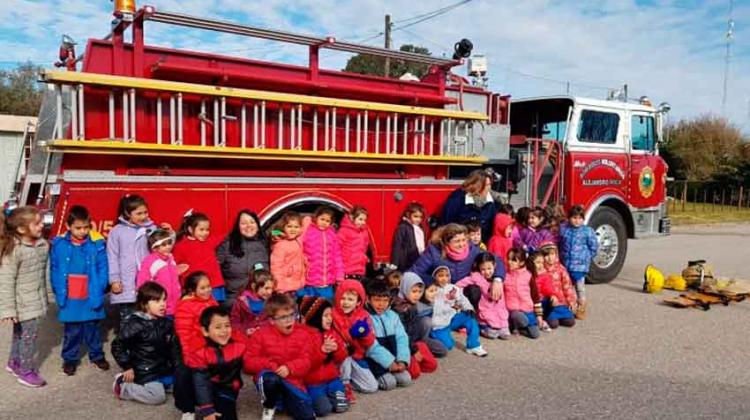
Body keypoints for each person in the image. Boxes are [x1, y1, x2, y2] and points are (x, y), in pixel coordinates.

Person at [50, 205, 110, 376]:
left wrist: (101, 285)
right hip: (70, 293)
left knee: (92, 327)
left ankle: (97, 356)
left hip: (90, 291)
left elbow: (102, 266)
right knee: (72, 330)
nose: (82, 231)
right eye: (78, 228)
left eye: (86, 227)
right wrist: (56, 286)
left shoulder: (97, 243)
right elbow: (54, 267)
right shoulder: (59, 244)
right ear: (68, 227)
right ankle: (69, 359)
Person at [244, 293, 316, 420]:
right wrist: (270, 365)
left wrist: (290, 368)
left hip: (293, 380)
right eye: (283, 317)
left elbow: (307, 361)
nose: (289, 320)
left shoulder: (303, 334)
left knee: (307, 416)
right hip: (271, 375)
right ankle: (269, 405)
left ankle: (283, 402)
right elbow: (248, 362)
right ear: (271, 320)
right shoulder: (260, 334)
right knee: (270, 379)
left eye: (291, 315)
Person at [0, 206, 49, 387]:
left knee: (20, 336)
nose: (42, 225)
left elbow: (45, 274)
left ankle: (14, 362)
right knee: (28, 338)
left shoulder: (42, 244)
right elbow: (5, 282)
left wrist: (49, 296)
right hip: (24, 304)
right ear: (21, 229)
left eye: (41, 221)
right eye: (36, 223)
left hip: (36, 300)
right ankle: (26, 371)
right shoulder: (14, 250)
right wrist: (8, 309)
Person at [409, 223, 504, 313]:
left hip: (463, 292)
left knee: (474, 291)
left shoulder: (472, 250)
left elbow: (496, 260)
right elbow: (415, 271)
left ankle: (471, 315)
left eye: (464, 240)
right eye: (457, 241)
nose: (462, 244)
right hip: (441, 291)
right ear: (446, 242)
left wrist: (497, 280)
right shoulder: (434, 251)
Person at [111, 282, 176, 405]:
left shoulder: (166, 323)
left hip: (164, 369)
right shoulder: (135, 324)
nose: (163, 304)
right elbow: (117, 345)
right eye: (156, 301)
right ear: (144, 304)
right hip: (146, 371)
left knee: (185, 384)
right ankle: (123, 387)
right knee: (157, 397)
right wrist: (127, 366)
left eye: (164, 300)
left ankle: (163, 385)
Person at [186, 306, 249, 420]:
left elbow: (252, 362)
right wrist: (207, 408)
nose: (224, 331)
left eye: (227, 325)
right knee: (183, 374)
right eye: (218, 327)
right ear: (205, 331)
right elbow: (201, 382)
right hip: (206, 386)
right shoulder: (199, 350)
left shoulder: (240, 344)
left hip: (227, 387)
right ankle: (189, 409)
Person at [108, 194, 160, 326]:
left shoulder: (151, 229)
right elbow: (112, 256)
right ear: (127, 213)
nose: (143, 216)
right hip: (126, 282)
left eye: (145, 212)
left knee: (148, 318)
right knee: (128, 320)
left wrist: (169, 234)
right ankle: (127, 345)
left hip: (146, 279)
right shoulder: (117, 231)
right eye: (139, 213)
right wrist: (114, 279)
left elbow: (163, 247)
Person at [174, 271, 218, 419]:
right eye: (203, 288)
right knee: (186, 378)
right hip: (193, 349)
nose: (208, 290)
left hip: (211, 346)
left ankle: (209, 403)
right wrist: (188, 355)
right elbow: (184, 334)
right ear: (193, 290)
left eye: (209, 286)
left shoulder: (211, 301)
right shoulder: (185, 306)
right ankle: (188, 410)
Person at [299, 296, 350, 416]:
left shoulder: (331, 332)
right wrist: (321, 352)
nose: (330, 319)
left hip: (332, 379)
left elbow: (341, 357)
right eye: (325, 316)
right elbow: (305, 363)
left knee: (341, 406)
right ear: (314, 317)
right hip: (313, 382)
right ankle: (310, 398)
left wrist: (337, 350)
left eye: (330, 315)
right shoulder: (303, 336)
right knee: (323, 410)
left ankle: (333, 393)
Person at [331, 279, 379, 399]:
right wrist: (348, 335)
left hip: (356, 357)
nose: (346, 302)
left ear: (358, 302)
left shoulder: (363, 316)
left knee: (372, 387)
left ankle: (348, 380)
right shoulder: (332, 314)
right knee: (345, 354)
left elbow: (370, 342)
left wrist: (365, 334)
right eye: (343, 298)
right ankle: (344, 384)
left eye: (350, 299)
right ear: (337, 298)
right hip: (338, 357)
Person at [364, 278, 412, 390]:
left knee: (406, 380)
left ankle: (395, 367)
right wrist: (389, 362)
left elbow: (402, 338)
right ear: (368, 299)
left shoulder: (393, 316)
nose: (381, 305)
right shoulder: (365, 317)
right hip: (375, 360)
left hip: (394, 357)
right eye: (377, 300)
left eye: (385, 300)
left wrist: (402, 360)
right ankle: (371, 376)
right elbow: (370, 345)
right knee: (389, 384)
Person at [390, 272, 440, 380]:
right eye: (414, 291)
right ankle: (400, 363)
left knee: (432, 365)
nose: (417, 295)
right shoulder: (398, 308)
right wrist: (413, 350)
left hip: (414, 341)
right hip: (402, 345)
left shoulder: (412, 304)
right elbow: (401, 335)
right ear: (405, 288)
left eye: (420, 292)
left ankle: (414, 360)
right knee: (414, 373)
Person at [429, 266, 488, 357]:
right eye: (440, 276)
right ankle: (433, 337)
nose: (444, 278)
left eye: (446, 275)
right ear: (435, 277)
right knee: (448, 346)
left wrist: (469, 308)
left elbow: (462, 299)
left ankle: (473, 346)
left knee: (470, 318)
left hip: (452, 318)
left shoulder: (453, 288)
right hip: (439, 324)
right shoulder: (432, 290)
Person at [216, 210, 269, 309]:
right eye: (243, 223)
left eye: (252, 222)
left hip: (260, 301)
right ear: (238, 226)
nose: (248, 225)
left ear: (258, 225)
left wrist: (276, 234)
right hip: (234, 301)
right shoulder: (227, 244)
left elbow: (280, 229)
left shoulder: (265, 242)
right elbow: (213, 266)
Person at [173, 210, 226, 303]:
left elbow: (224, 237)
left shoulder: (209, 241)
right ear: (190, 229)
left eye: (207, 229)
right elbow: (174, 265)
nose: (205, 233)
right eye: (201, 230)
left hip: (214, 285)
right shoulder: (180, 246)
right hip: (195, 288)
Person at [456, 253, 510, 340]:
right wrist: (457, 293)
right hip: (486, 309)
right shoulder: (477, 277)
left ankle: (500, 326)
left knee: (504, 332)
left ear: (494, 266)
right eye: (483, 269)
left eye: (489, 268)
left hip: (499, 308)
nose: (487, 272)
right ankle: (483, 327)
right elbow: (460, 284)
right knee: (492, 334)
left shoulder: (499, 279)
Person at [559, 205, 598, 320]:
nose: (577, 220)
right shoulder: (564, 229)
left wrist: (586, 258)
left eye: (580, 218)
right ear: (569, 218)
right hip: (566, 265)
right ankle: (570, 306)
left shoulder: (587, 231)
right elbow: (560, 244)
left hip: (580, 267)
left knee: (580, 288)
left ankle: (581, 307)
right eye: (574, 218)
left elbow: (594, 247)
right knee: (567, 288)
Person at [440, 169, 498, 242]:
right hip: (459, 245)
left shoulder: (491, 203)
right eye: (486, 185)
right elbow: (446, 226)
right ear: (477, 186)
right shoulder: (456, 201)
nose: (489, 188)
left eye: (490, 184)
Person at [300, 206, 344, 300]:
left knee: (326, 306)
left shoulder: (332, 234)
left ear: (331, 223)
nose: (324, 222)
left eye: (327, 221)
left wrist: (339, 275)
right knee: (309, 307)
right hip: (310, 280)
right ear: (316, 218)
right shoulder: (307, 231)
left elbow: (337, 256)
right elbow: (294, 240)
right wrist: (276, 234)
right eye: (322, 219)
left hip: (327, 282)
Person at [136, 229, 182, 317]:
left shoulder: (171, 259)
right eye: (164, 245)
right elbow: (142, 282)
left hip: (175, 305)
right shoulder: (150, 261)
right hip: (158, 306)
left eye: (169, 243)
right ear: (155, 247)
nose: (168, 246)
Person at [503, 248, 542, 339]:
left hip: (527, 310)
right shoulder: (505, 275)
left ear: (521, 262)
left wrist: (539, 316)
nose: (509, 262)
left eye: (513, 260)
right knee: (516, 315)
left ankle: (522, 328)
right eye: (508, 259)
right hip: (511, 311)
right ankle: (515, 325)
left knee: (535, 335)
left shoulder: (528, 275)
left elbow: (535, 296)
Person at [538, 242, 577, 329]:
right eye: (546, 255)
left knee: (571, 322)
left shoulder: (561, 269)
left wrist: (571, 301)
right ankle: (547, 317)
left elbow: (567, 286)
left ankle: (560, 317)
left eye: (552, 254)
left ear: (556, 254)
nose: (550, 258)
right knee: (553, 324)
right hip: (549, 304)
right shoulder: (540, 270)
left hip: (561, 302)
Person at [269, 211, 307, 295]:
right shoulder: (280, 245)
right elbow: (276, 268)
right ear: (283, 227)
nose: (293, 229)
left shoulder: (298, 239)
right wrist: (279, 287)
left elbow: (307, 220)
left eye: (296, 227)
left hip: (299, 285)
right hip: (285, 288)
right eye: (289, 226)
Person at [230, 266, 272, 338]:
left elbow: (275, 319)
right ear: (254, 286)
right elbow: (234, 322)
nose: (270, 292)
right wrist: (245, 330)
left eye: (272, 288)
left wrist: (265, 328)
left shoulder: (271, 301)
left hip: (266, 338)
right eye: (266, 288)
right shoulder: (240, 302)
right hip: (246, 339)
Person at [390, 202, 426, 272]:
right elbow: (397, 244)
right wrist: (395, 262)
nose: (418, 219)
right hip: (405, 260)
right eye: (415, 216)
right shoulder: (403, 227)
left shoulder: (420, 228)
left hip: (417, 257)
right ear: (408, 215)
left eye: (420, 217)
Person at [337, 205, 371, 280]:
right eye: (360, 219)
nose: (363, 222)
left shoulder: (364, 231)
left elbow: (365, 246)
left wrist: (364, 257)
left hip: (359, 268)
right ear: (352, 217)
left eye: (364, 220)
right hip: (347, 268)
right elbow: (337, 248)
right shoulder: (344, 231)